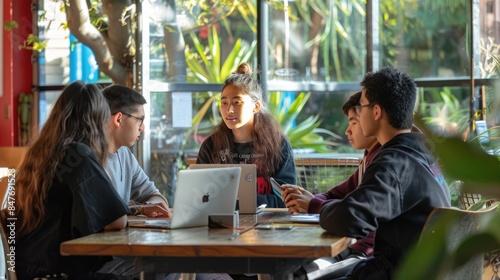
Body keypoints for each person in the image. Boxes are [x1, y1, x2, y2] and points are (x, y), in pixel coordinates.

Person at [319, 67, 451, 280]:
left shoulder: (394, 163)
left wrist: (322, 208)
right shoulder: (424, 153)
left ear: (376, 111)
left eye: (361, 107)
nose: (359, 114)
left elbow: (349, 218)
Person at [3, 81, 129, 279]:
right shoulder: (78, 154)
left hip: (28, 269)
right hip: (57, 271)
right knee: (157, 267)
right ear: (97, 121)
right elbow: (117, 222)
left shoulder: (38, 154)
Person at [282, 91, 380, 280]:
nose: (347, 131)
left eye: (353, 122)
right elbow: (339, 192)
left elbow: (356, 214)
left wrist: (312, 204)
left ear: (374, 118)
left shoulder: (383, 162)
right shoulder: (370, 157)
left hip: (363, 255)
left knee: (300, 274)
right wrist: (309, 201)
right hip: (349, 248)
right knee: (293, 269)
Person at [196, 62, 297, 208]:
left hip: (268, 225)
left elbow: (288, 199)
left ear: (255, 107)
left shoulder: (278, 145)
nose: (229, 110)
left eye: (237, 102)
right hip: (223, 224)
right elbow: (198, 194)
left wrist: (241, 202)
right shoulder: (211, 146)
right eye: (224, 103)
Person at [102, 84, 171, 218]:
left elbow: (154, 195)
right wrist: (142, 209)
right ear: (118, 119)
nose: (142, 127)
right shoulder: (89, 158)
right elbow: (105, 211)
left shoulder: (125, 154)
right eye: (140, 120)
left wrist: (151, 206)